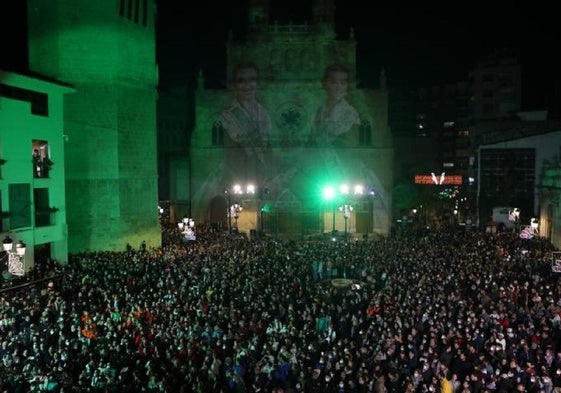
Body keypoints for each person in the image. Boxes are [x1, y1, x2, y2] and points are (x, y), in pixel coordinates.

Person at [219, 61, 272, 149]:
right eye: (241, 81)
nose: (247, 85)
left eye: (251, 80)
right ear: (235, 85)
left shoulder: (264, 113)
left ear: (257, 83)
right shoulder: (226, 117)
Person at [310, 63, 360, 147]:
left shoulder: (351, 113)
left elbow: (349, 142)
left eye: (343, 83)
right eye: (334, 82)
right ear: (325, 83)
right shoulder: (318, 111)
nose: (338, 87)